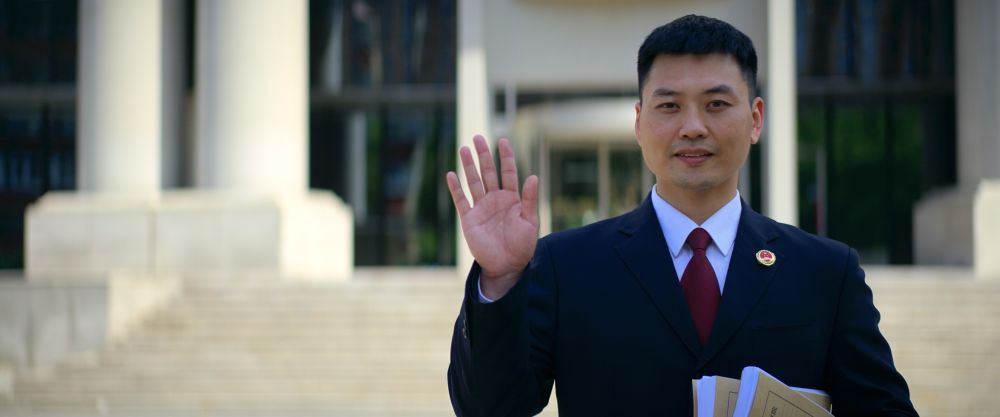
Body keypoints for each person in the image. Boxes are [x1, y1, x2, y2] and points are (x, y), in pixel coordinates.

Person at [445, 14, 918, 417]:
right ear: (639, 122)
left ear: (756, 119)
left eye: (716, 104)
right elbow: (489, 408)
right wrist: (500, 280)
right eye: (669, 106)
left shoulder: (826, 273)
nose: (692, 127)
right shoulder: (565, 266)